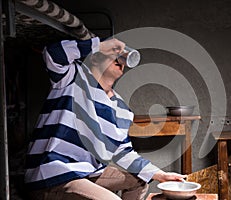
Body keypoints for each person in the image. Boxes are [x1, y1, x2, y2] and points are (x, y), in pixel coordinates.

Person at [24, 36, 187, 200]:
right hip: (53, 175)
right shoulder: (73, 77)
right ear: (94, 57)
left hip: (87, 174)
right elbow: (53, 54)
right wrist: (100, 45)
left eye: (122, 56)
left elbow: (123, 153)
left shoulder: (122, 109)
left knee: (139, 181)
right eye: (113, 54)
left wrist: (161, 175)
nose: (120, 59)